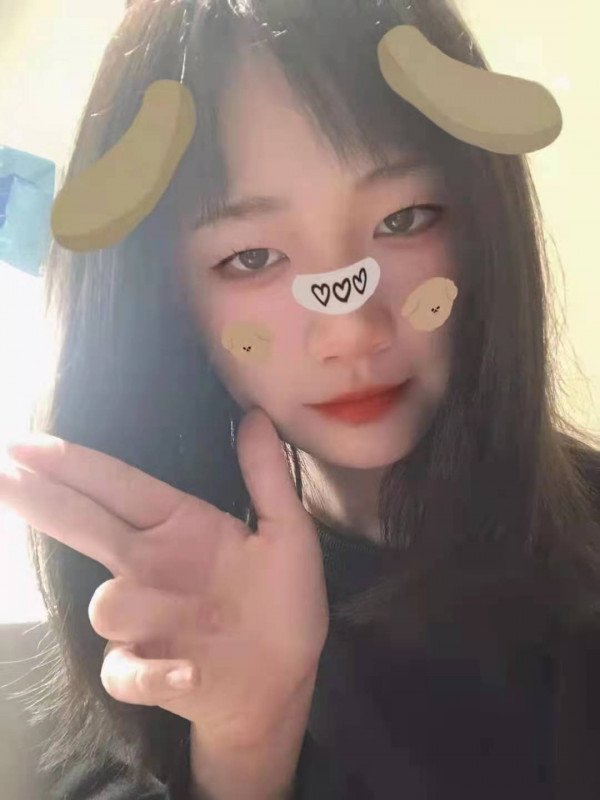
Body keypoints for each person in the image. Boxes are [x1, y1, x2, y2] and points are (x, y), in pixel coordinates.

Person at [2, 0, 600, 797]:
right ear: (171, 305)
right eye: (252, 257)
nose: (351, 331)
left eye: (405, 218)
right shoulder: (159, 605)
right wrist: (246, 746)